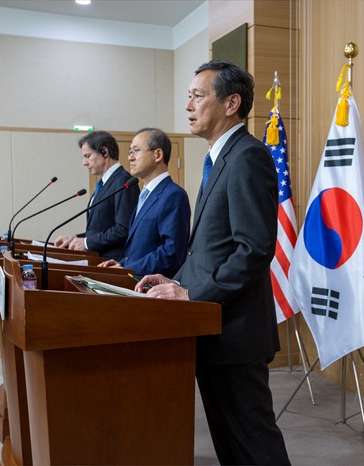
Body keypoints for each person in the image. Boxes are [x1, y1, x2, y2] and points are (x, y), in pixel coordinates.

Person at [136, 61, 290, 465]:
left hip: (235, 332)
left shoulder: (248, 156)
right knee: (231, 445)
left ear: (231, 103)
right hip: (212, 326)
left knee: (255, 445)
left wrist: (192, 294)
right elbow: (211, 248)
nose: (188, 105)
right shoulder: (219, 158)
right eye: (188, 96)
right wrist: (173, 280)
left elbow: (253, 249)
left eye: (198, 96)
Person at [98, 127, 190, 277]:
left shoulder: (173, 195)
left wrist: (129, 269)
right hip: (136, 280)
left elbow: (171, 252)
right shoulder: (145, 194)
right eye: (130, 152)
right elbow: (140, 247)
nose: (130, 158)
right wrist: (121, 264)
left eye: (136, 150)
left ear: (158, 154)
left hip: (152, 284)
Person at [54, 131, 139, 260]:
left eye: (87, 156)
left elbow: (124, 229)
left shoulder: (123, 181)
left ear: (105, 152)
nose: (84, 162)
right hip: (98, 260)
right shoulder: (105, 183)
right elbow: (100, 229)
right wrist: (75, 239)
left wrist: (86, 243)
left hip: (113, 262)